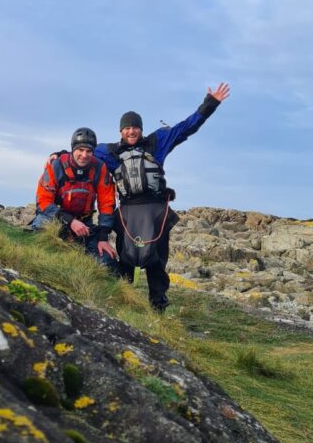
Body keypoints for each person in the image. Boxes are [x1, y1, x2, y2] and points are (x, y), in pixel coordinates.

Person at [94, 83, 230, 312]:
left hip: (156, 211)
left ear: (141, 129)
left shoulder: (157, 142)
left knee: (156, 261)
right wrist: (60, 155)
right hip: (127, 212)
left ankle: (158, 307)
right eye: (127, 128)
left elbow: (186, 127)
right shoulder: (108, 152)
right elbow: (82, 150)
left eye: (135, 127)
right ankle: (123, 304)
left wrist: (210, 104)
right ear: (120, 131)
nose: (131, 131)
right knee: (126, 259)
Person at [30, 127, 117, 270]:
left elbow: (107, 203)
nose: (84, 155)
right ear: (72, 149)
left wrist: (103, 238)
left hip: (84, 225)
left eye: (89, 151)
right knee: (41, 232)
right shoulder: (56, 166)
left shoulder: (100, 169)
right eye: (80, 150)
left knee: (106, 262)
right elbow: (43, 202)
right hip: (56, 218)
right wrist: (70, 222)